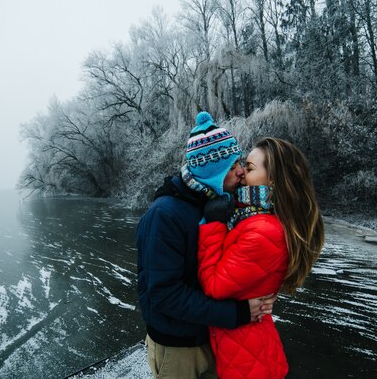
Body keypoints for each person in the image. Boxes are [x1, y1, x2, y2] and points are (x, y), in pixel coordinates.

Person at [136, 112, 277, 379]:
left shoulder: (217, 204)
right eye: (232, 164)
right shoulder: (164, 215)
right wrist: (237, 313)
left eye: (240, 162)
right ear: (211, 170)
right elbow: (165, 296)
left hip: (214, 336)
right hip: (178, 349)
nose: (240, 172)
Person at [197, 137, 326, 379]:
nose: (241, 173)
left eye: (249, 168)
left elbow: (213, 286)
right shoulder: (249, 216)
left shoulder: (262, 231)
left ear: (273, 180)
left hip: (247, 363)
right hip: (244, 350)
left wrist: (213, 225)